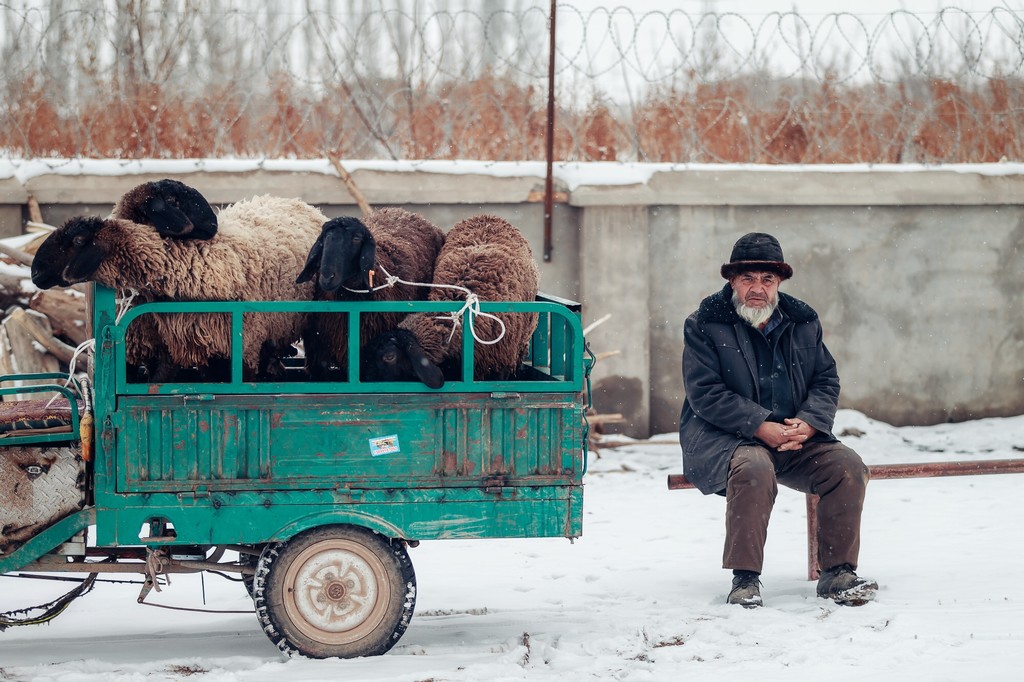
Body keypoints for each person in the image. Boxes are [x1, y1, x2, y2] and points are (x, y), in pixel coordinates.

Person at [678, 232, 877, 608]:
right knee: (754, 467)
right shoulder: (705, 322)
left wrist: (810, 422)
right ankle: (745, 579)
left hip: (795, 436)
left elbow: (825, 378)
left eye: (767, 279)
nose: (757, 288)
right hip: (725, 437)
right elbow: (705, 393)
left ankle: (837, 574)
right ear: (732, 281)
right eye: (748, 278)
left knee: (848, 467)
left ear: (779, 282)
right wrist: (759, 426)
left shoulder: (803, 320)